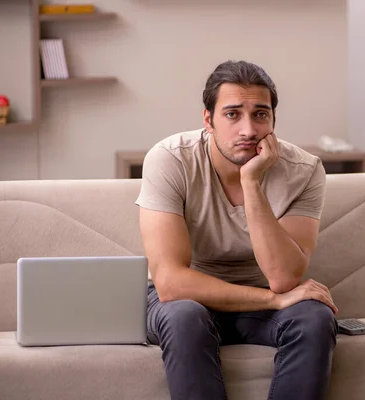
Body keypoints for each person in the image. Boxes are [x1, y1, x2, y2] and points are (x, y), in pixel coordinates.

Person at [135, 60, 339, 400]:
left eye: (260, 114)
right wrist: (274, 300)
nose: (248, 129)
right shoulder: (170, 159)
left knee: (314, 318)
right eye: (232, 114)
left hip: (260, 301)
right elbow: (170, 283)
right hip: (189, 300)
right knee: (184, 316)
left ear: (273, 120)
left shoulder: (304, 170)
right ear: (208, 120)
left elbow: (284, 278)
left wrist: (251, 182)